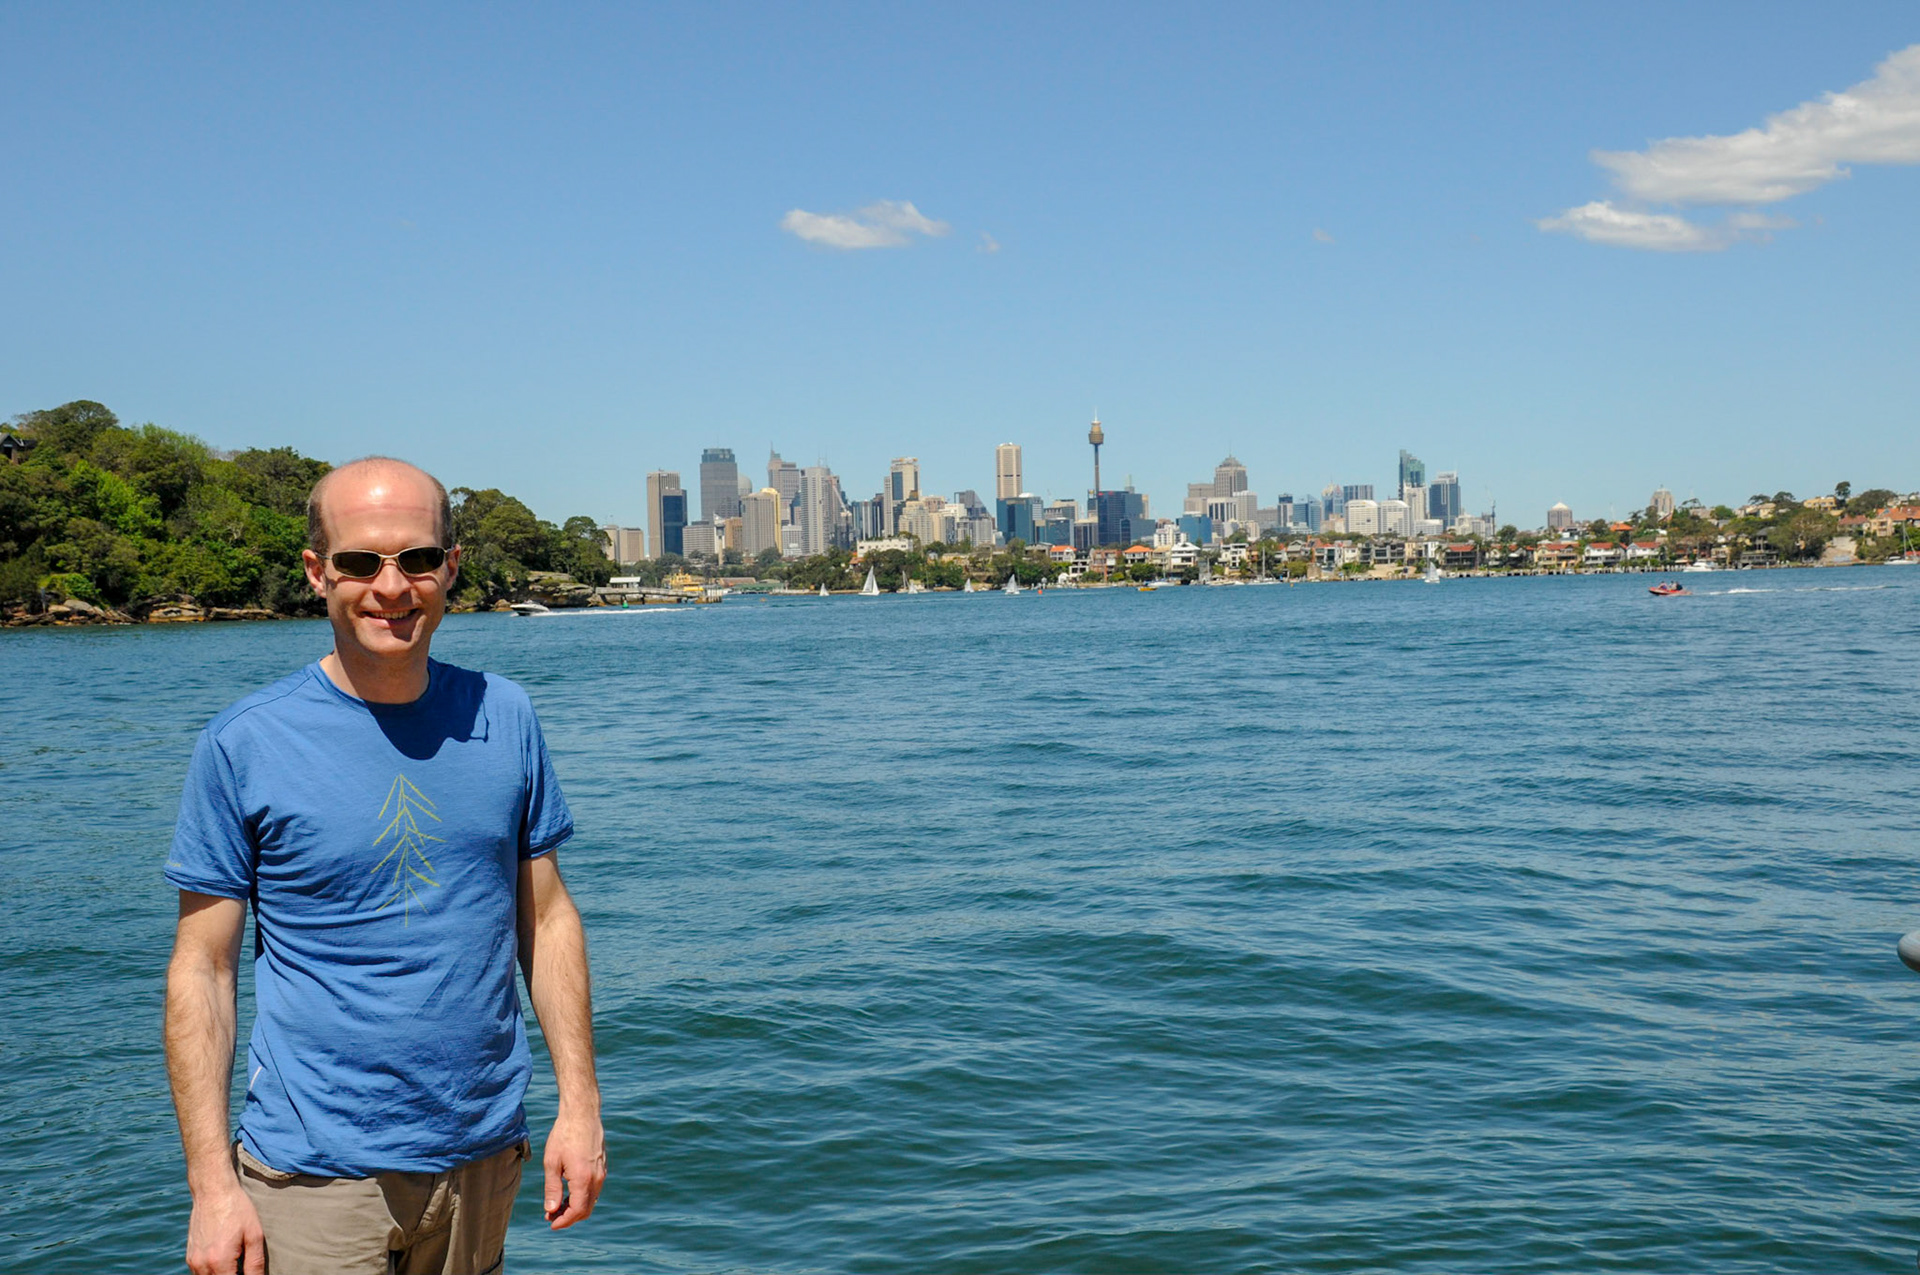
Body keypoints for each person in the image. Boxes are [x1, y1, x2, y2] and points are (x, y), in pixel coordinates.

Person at [163, 457, 605, 1275]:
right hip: (312, 1176)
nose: (392, 586)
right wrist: (211, 1185)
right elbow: (204, 967)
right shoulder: (243, 743)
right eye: (361, 561)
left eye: (418, 558)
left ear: (452, 567)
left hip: (483, 1154)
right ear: (317, 572)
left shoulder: (506, 715)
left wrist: (580, 1107)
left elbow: (546, 919)